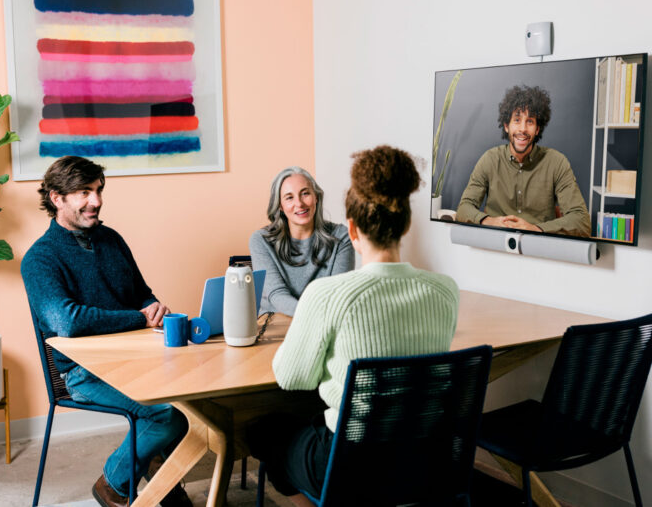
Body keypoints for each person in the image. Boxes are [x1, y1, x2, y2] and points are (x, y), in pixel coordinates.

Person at [249, 146, 459, 505]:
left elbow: (290, 378)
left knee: (263, 432)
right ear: (407, 224)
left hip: (349, 463)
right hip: (424, 458)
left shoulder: (327, 296)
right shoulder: (446, 291)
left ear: (352, 229)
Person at [21, 156, 191, 507]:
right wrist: (138, 318)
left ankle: (160, 473)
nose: (96, 201)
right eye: (84, 192)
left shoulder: (111, 239)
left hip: (139, 357)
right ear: (57, 198)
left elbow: (140, 293)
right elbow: (68, 322)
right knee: (168, 416)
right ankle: (113, 483)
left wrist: (153, 306)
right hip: (84, 374)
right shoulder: (39, 259)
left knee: (197, 401)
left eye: (98, 190)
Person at [456, 85, 591, 236]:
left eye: (530, 121)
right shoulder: (489, 160)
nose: (523, 129)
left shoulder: (557, 162)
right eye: (517, 120)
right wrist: (490, 221)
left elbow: (581, 221)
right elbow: (463, 209)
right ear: (506, 126)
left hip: (539, 248)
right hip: (494, 246)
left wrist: (536, 229)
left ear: (538, 129)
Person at [249, 166, 354, 316]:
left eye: (305, 194)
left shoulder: (341, 236)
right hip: (278, 323)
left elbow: (338, 294)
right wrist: (312, 316)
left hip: (324, 324)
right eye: (289, 197)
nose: (299, 203)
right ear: (280, 206)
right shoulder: (260, 240)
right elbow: (277, 294)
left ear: (316, 197)